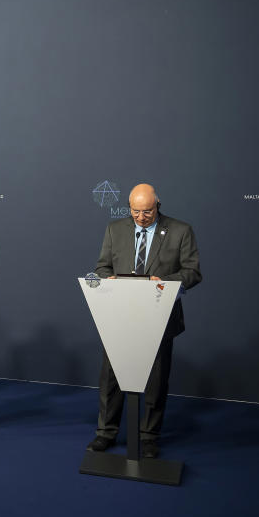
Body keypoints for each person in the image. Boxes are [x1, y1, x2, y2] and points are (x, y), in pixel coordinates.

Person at [86, 183, 201, 458]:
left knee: (156, 379)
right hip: (119, 316)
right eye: (135, 211)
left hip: (159, 316)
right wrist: (106, 278)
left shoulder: (180, 230)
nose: (140, 217)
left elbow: (193, 272)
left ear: (158, 205)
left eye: (147, 211)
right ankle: (106, 433)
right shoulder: (115, 229)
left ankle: (149, 437)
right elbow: (102, 266)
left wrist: (164, 282)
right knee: (110, 378)